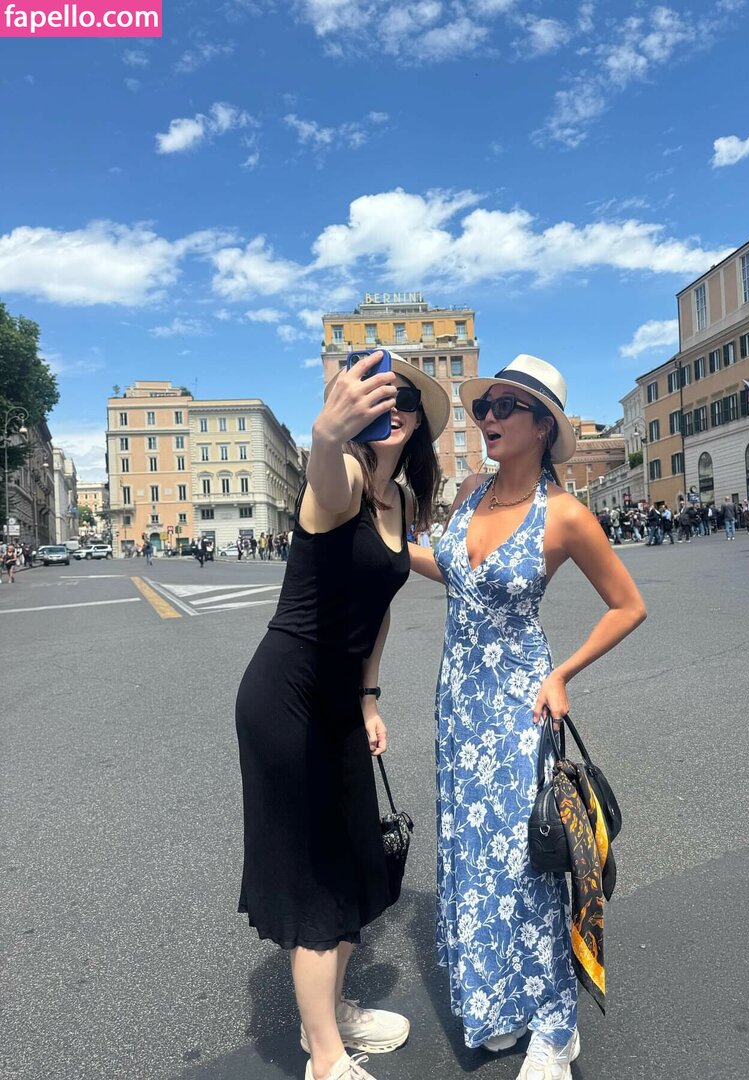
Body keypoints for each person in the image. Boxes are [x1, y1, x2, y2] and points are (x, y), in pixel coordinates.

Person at [408, 354, 646, 1079]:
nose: (488, 418)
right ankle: (500, 1001)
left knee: (528, 859)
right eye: (485, 407)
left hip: (520, 703)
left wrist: (562, 672)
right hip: (459, 704)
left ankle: (555, 1026)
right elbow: (456, 573)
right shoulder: (471, 492)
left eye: (505, 407)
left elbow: (628, 606)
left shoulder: (563, 514)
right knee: (472, 853)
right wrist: (389, 550)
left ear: (543, 426)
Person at [235, 351, 450, 1080]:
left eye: (405, 402)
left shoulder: (400, 503)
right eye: (380, 397)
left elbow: (378, 610)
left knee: (358, 856)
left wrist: (369, 696)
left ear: (419, 425)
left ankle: (330, 1012)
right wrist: (327, 437)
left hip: (339, 700)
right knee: (319, 875)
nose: (392, 410)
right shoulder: (348, 478)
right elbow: (326, 477)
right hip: (287, 694)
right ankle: (324, 1055)